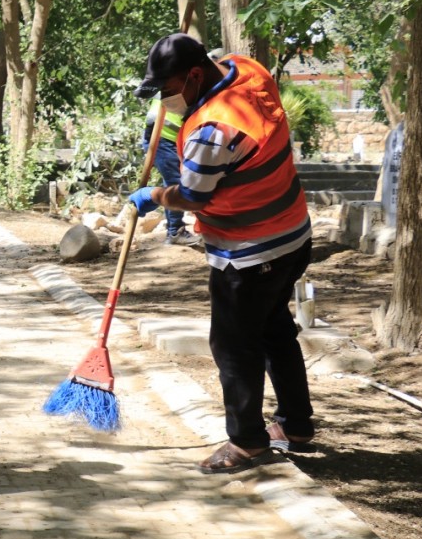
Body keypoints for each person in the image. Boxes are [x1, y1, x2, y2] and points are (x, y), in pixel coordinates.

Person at [129, 32, 315, 474]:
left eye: (170, 91)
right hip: (292, 231)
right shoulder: (245, 70)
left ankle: (247, 444)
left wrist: (153, 195)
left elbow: (193, 196)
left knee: (233, 345)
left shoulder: (214, 130)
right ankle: (295, 427)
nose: (166, 102)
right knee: (273, 330)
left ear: (194, 76)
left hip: (251, 251)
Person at [142, 98, 201, 247]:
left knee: (171, 182)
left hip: (167, 137)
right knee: (176, 182)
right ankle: (175, 231)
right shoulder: (181, 83)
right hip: (161, 137)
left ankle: (174, 231)